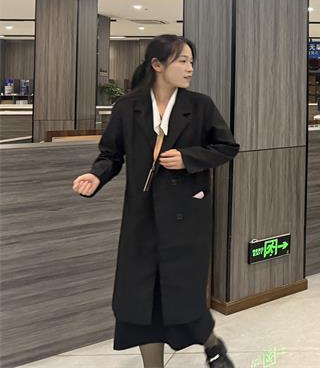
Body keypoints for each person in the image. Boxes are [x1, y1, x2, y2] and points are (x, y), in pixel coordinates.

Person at [72, 35, 239, 368]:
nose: (190, 68)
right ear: (158, 64)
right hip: (142, 217)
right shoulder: (128, 107)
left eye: (191, 61)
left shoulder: (200, 105)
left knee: (183, 293)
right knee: (140, 297)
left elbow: (227, 147)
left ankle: (211, 344)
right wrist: (97, 175)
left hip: (187, 217)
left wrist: (188, 158)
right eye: (182, 61)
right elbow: (111, 153)